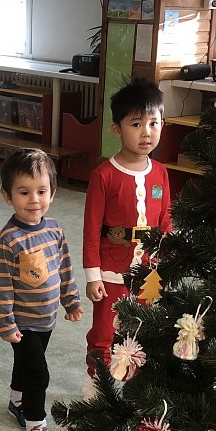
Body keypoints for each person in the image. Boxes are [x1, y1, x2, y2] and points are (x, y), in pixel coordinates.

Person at [0, 149, 83, 431]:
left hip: (47, 318)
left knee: (26, 365)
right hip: (22, 322)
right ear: (7, 195)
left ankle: (17, 401)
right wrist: (6, 323)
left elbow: (64, 268)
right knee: (38, 375)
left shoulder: (54, 229)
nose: (34, 200)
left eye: (42, 191)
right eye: (24, 192)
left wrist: (71, 300)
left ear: (52, 193)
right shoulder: (6, 240)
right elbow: (1, 286)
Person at [82, 77, 171, 395]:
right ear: (116, 129)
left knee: (143, 329)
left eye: (153, 123)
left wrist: (167, 264)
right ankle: (97, 388)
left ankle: (136, 388)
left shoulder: (161, 172)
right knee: (105, 332)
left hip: (149, 271)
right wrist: (93, 276)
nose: (146, 132)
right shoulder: (103, 175)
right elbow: (91, 228)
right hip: (111, 272)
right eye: (136, 124)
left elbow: (165, 221)